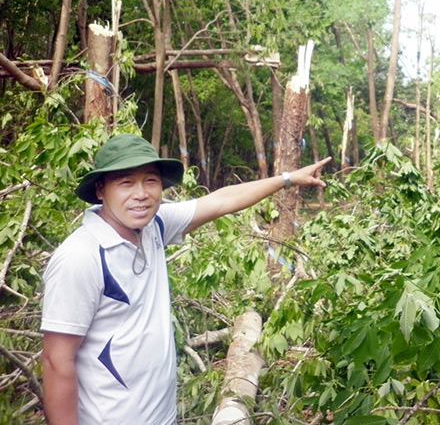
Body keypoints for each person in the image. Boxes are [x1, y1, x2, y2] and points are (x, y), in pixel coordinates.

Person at [40, 133, 330, 425]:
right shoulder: (81, 256)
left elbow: (220, 201)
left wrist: (288, 178)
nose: (141, 193)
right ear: (101, 189)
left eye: (151, 181)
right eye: (126, 182)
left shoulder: (155, 226)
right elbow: (56, 362)